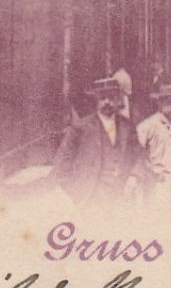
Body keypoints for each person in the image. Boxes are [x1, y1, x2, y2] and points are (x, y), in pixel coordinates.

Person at [52, 76, 135, 205]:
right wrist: (74, 191)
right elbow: (62, 160)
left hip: (121, 194)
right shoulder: (81, 127)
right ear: (96, 100)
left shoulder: (127, 126)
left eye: (112, 97)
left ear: (118, 98)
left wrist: (134, 177)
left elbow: (139, 154)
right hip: (91, 195)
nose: (107, 102)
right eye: (102, 98)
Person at [136, 84, 171, 205]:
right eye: (170, 104)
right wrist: (153, 172)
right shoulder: (148, 126)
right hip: (159, 188)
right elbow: (137, 156)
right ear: (160, 104)